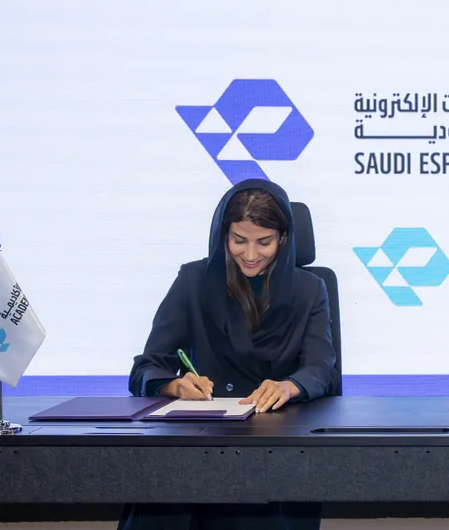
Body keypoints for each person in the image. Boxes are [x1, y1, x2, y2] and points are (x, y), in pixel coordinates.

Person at [119, 179, 337, 530]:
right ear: (223, 236)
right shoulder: (193, 280)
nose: (250, 255)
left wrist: (288, 387)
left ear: (283, 239)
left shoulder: (310, 289)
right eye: (239, 241)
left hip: (276, 440)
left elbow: (321, 368)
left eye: (264, 242)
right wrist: (174, 386)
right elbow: (148, 366)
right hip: (200, 440)